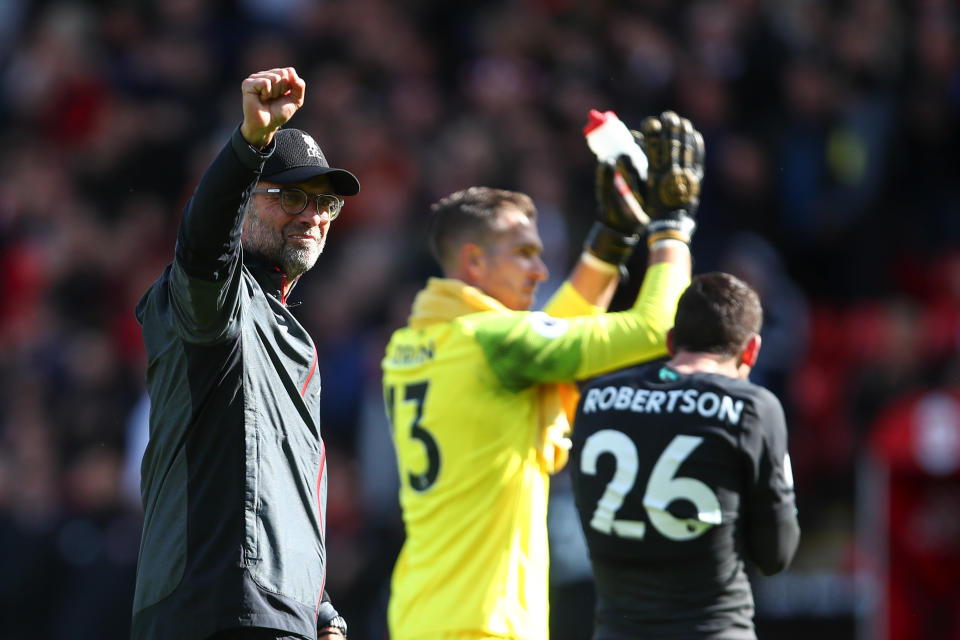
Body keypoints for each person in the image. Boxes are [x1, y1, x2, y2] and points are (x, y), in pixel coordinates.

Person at [381, 111, 704, 640]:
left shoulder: (413, 344)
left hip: (421, 614)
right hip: (483, 624)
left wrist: (611, 240)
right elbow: (657, 327)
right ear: (474, 263)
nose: (541, 271)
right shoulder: (496, 343)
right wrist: (673, 225)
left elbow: (553, 337)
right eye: (525, 253)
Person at [132, 67, 358, 640]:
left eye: (325, 204)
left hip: (270, 614)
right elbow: (205, 246)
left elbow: (270, 493)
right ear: (244, 202)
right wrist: (248, 146)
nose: (312, 215)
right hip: (215, 612)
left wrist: (319, 606)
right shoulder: (212, 303)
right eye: (291, 196)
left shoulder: (286, 331)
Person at [569, 272, 801, 640]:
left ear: (671, 341)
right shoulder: (752, 407)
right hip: (714, 629)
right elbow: (777, 555)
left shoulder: (595, 399)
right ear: (752, 350)